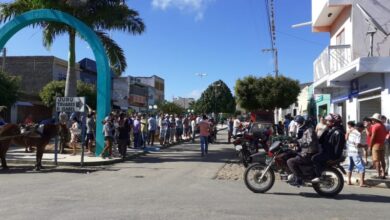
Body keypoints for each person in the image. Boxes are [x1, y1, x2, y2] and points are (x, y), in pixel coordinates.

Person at [311, 113, 345, 183]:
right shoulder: (330, 130)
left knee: (314, 158)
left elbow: (338, 147)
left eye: (329, 121)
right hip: (325, 151)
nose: (327, 122)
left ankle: (319, 176)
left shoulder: (338, 132)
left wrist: (334, 158)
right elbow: (320, 140)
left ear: (334, 122)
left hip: (331, 154)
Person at [287, 116, 319, 186]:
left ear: (303, 122)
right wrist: (295, 141)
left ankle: (299, 178)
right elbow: (303, 139)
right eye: (297, 123)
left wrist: (298, 142)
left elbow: (309, 142)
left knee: (290, 162)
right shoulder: (306, 129)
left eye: (299, 123)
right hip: (305, 151)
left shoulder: (309, 130)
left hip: (308, 153)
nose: (298, 124)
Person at [346, 122, 368, 187]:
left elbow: (347, 140)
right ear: (360, 128)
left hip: (350, 151)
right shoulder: (358, 133)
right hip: (355, 152)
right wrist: (364, 146)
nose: (363, 129)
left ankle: (348, 181)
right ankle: (362, 183)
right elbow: (357, 145)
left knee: (350, 166)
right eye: (363, 128)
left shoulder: (351, 131)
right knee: (362, 167)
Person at [369, 113, 387, 179]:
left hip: (376, 144)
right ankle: (383, 174)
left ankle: (379, 174)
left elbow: (373, 137)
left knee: (377, 160)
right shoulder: (383, 126)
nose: (372, 121)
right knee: (382, 160)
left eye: (373, 119)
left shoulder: (375, 126)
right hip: (382, 144)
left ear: (375, 120)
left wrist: (370, 146)